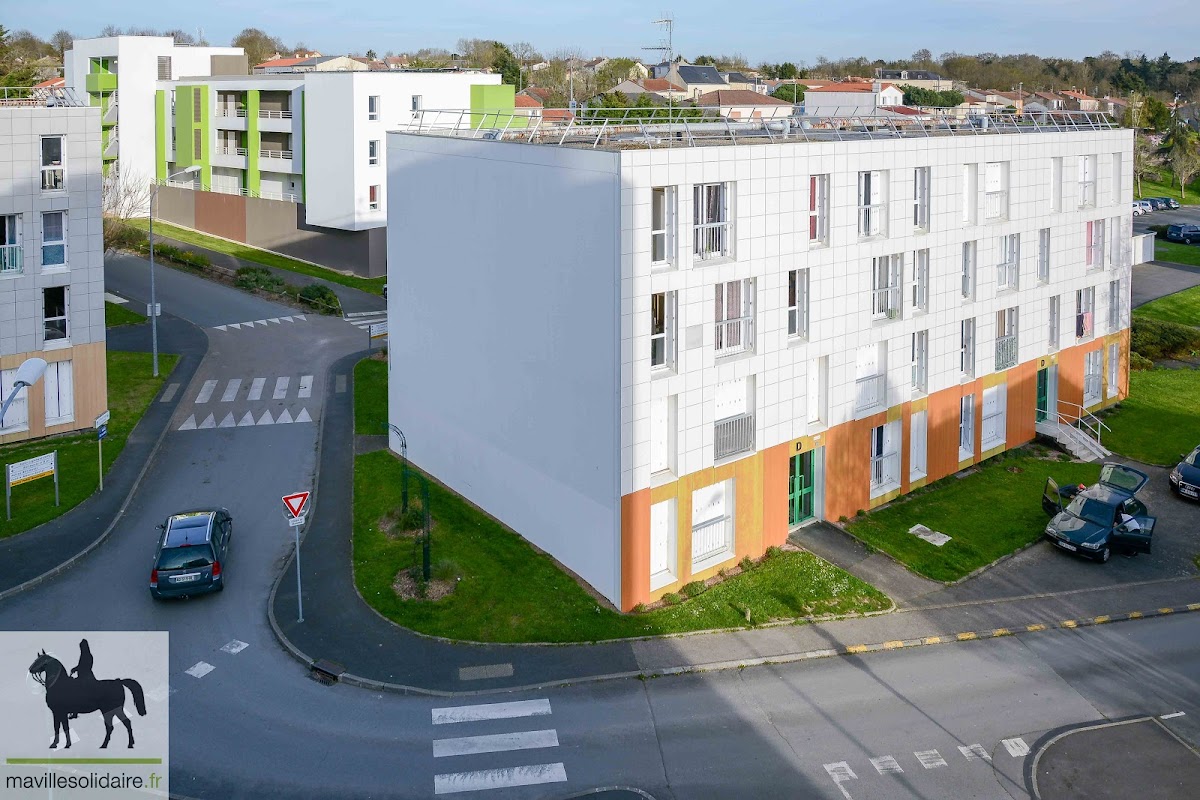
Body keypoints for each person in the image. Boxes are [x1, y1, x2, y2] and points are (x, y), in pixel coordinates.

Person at [68, 639, 94, 719]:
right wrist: (75, 669)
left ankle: (75, 711)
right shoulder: (84, 655)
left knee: (75, 690)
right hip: (82, 676)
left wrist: (76, 669)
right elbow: (80, 666)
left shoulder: (87, 656)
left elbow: (84, 666)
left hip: (86, 677)